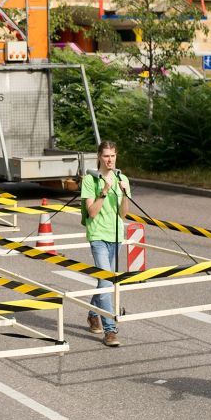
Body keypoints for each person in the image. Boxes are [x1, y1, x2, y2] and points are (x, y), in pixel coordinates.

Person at [80, 140, 130, 347]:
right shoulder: (90, 179)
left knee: (104, 282)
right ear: (99, 157)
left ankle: (93, 314)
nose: (110, 160)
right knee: (107, 281)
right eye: (106, 156)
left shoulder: (122, 178)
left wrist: (124, 194)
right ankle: (110, 330)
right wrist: (103, 192)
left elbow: (123, 214)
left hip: (116, 235)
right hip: (98, 235)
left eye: (113, 156)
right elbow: (92, 212)